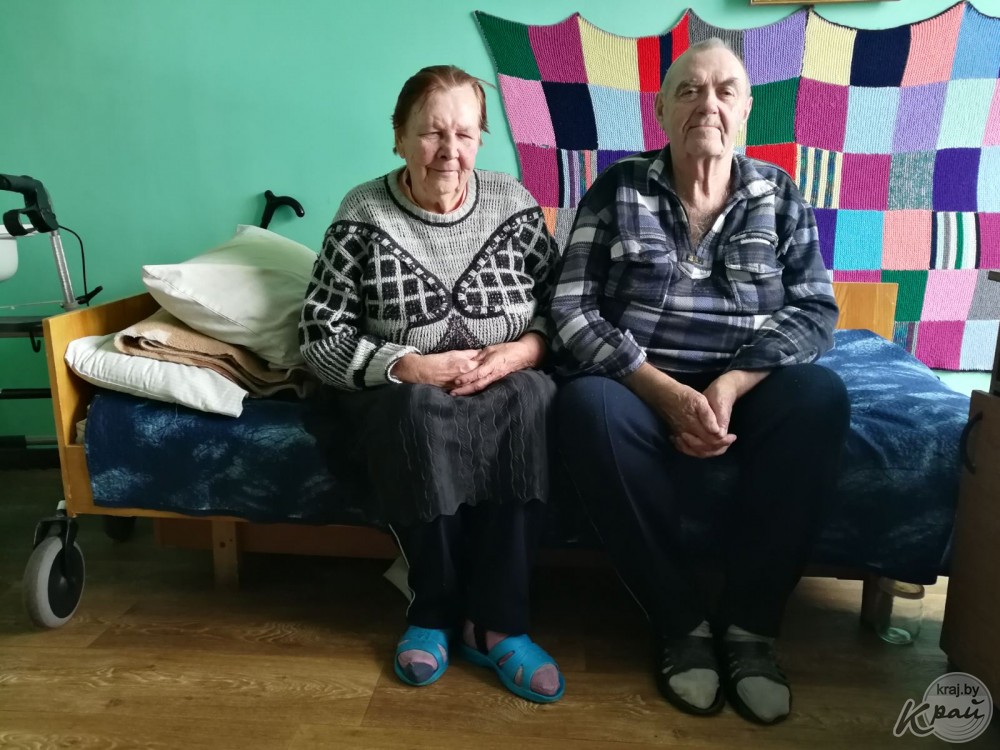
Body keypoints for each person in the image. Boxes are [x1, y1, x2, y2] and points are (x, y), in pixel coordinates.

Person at [549, 39, 850, 724]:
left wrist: (732, 385)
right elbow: (569, 308)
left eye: (723, 91)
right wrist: (658, 389)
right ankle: (678, 619)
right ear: (661, 109)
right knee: (582, 407)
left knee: (821, 398)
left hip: (746, 383)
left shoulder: (778, 193)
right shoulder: (617, 188)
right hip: (637, 381)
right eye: (688, 90)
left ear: (745, 109)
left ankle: (750, 628)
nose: (706, 104)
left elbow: (815, 310)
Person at [299, 65, 564, 703]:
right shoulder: (362, 212)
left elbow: (565, 304)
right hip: (404, 391)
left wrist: (525, 350)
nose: (449, 150)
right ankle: (434, 611)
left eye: (464, 134)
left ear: (481, 140)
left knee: (532, 401)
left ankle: (498, 624)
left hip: (505, 378)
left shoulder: (513, 202)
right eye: (431, 132)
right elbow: (319, 335)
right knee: (414, 413)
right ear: (398, 136)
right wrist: (405, 365)